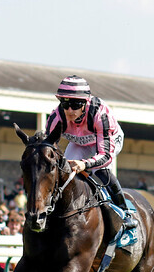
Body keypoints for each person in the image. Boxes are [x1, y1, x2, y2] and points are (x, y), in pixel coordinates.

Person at [44, 75, 137, 229]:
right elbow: (48, 148)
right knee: (63, 172)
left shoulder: (101, 114)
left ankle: (124, 212)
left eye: (75, 104)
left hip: (106, 143)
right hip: (79, 143)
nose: (69, 110)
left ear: (85, 102)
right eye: (65, 104)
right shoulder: (56, 117)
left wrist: (84, 164)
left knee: (100, 171)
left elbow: (105, 155)